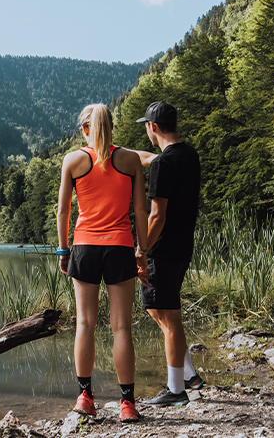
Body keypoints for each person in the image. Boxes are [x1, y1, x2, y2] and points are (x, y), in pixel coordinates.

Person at [55, 103, 149, 423]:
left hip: (84, 247)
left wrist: (63, 251)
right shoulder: (130, 160)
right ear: (112, 126)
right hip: (121, 247)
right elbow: (140, 211)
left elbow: (64, 212)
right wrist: (142, 252)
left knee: (85, 324)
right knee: (122, 327)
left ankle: (85, 397)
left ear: (84, 129)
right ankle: (127, 404)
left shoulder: (73, 160)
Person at [131, 101, 204, 408]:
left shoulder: (164, 164)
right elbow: (151, 158)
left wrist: (141, 249)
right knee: (158, 309)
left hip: (161, 250)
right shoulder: (188, 155)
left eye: (146, 126)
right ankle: (189, 375)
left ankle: (176, 390)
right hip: (182, 247)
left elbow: (156, 216)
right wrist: (117, 152)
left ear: (153, 127)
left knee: (170, 319)